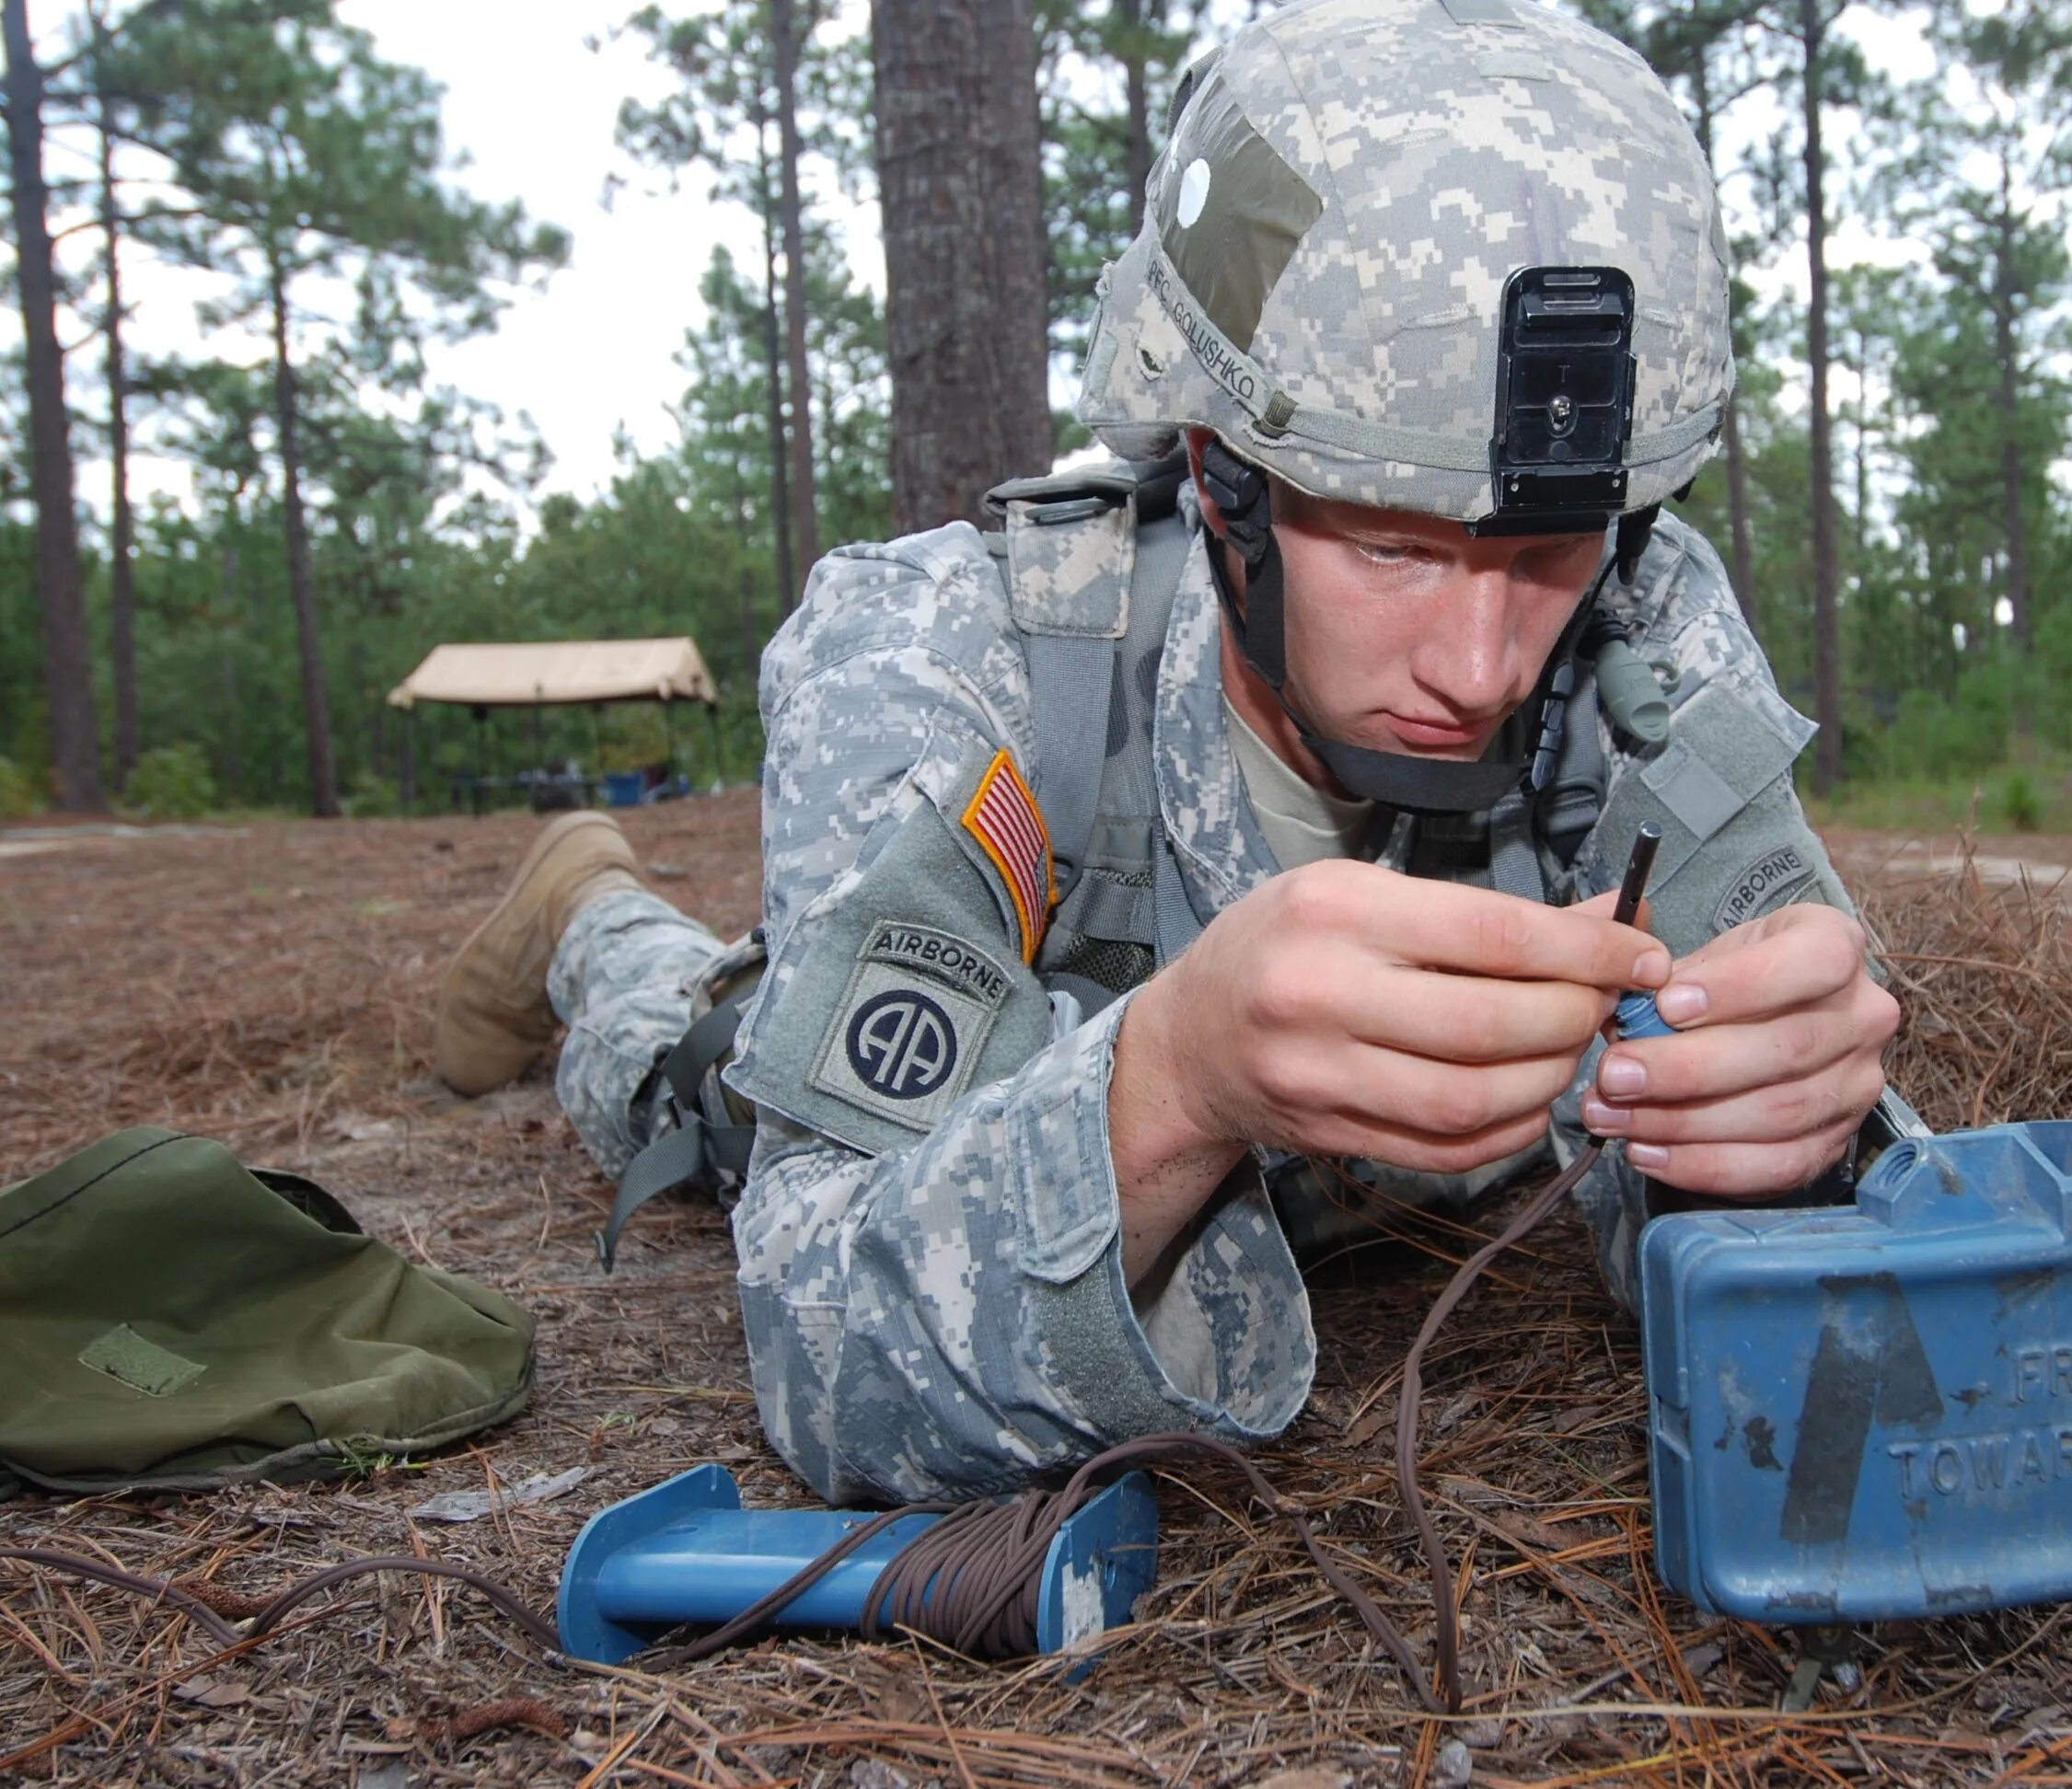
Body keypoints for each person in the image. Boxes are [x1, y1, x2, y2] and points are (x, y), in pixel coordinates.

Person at [434, 0, 1900, 1506]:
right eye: (1394, 549)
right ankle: (587, 916)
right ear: (1218, 478)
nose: (1482, 667)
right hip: (931, 1091)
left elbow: (1820, 1235)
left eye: (1545, 553)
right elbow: (822, 1340)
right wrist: (1181, 1082)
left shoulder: (1646, 628)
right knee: (687, 1059)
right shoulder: (956, 651)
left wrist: (1790, 1121)